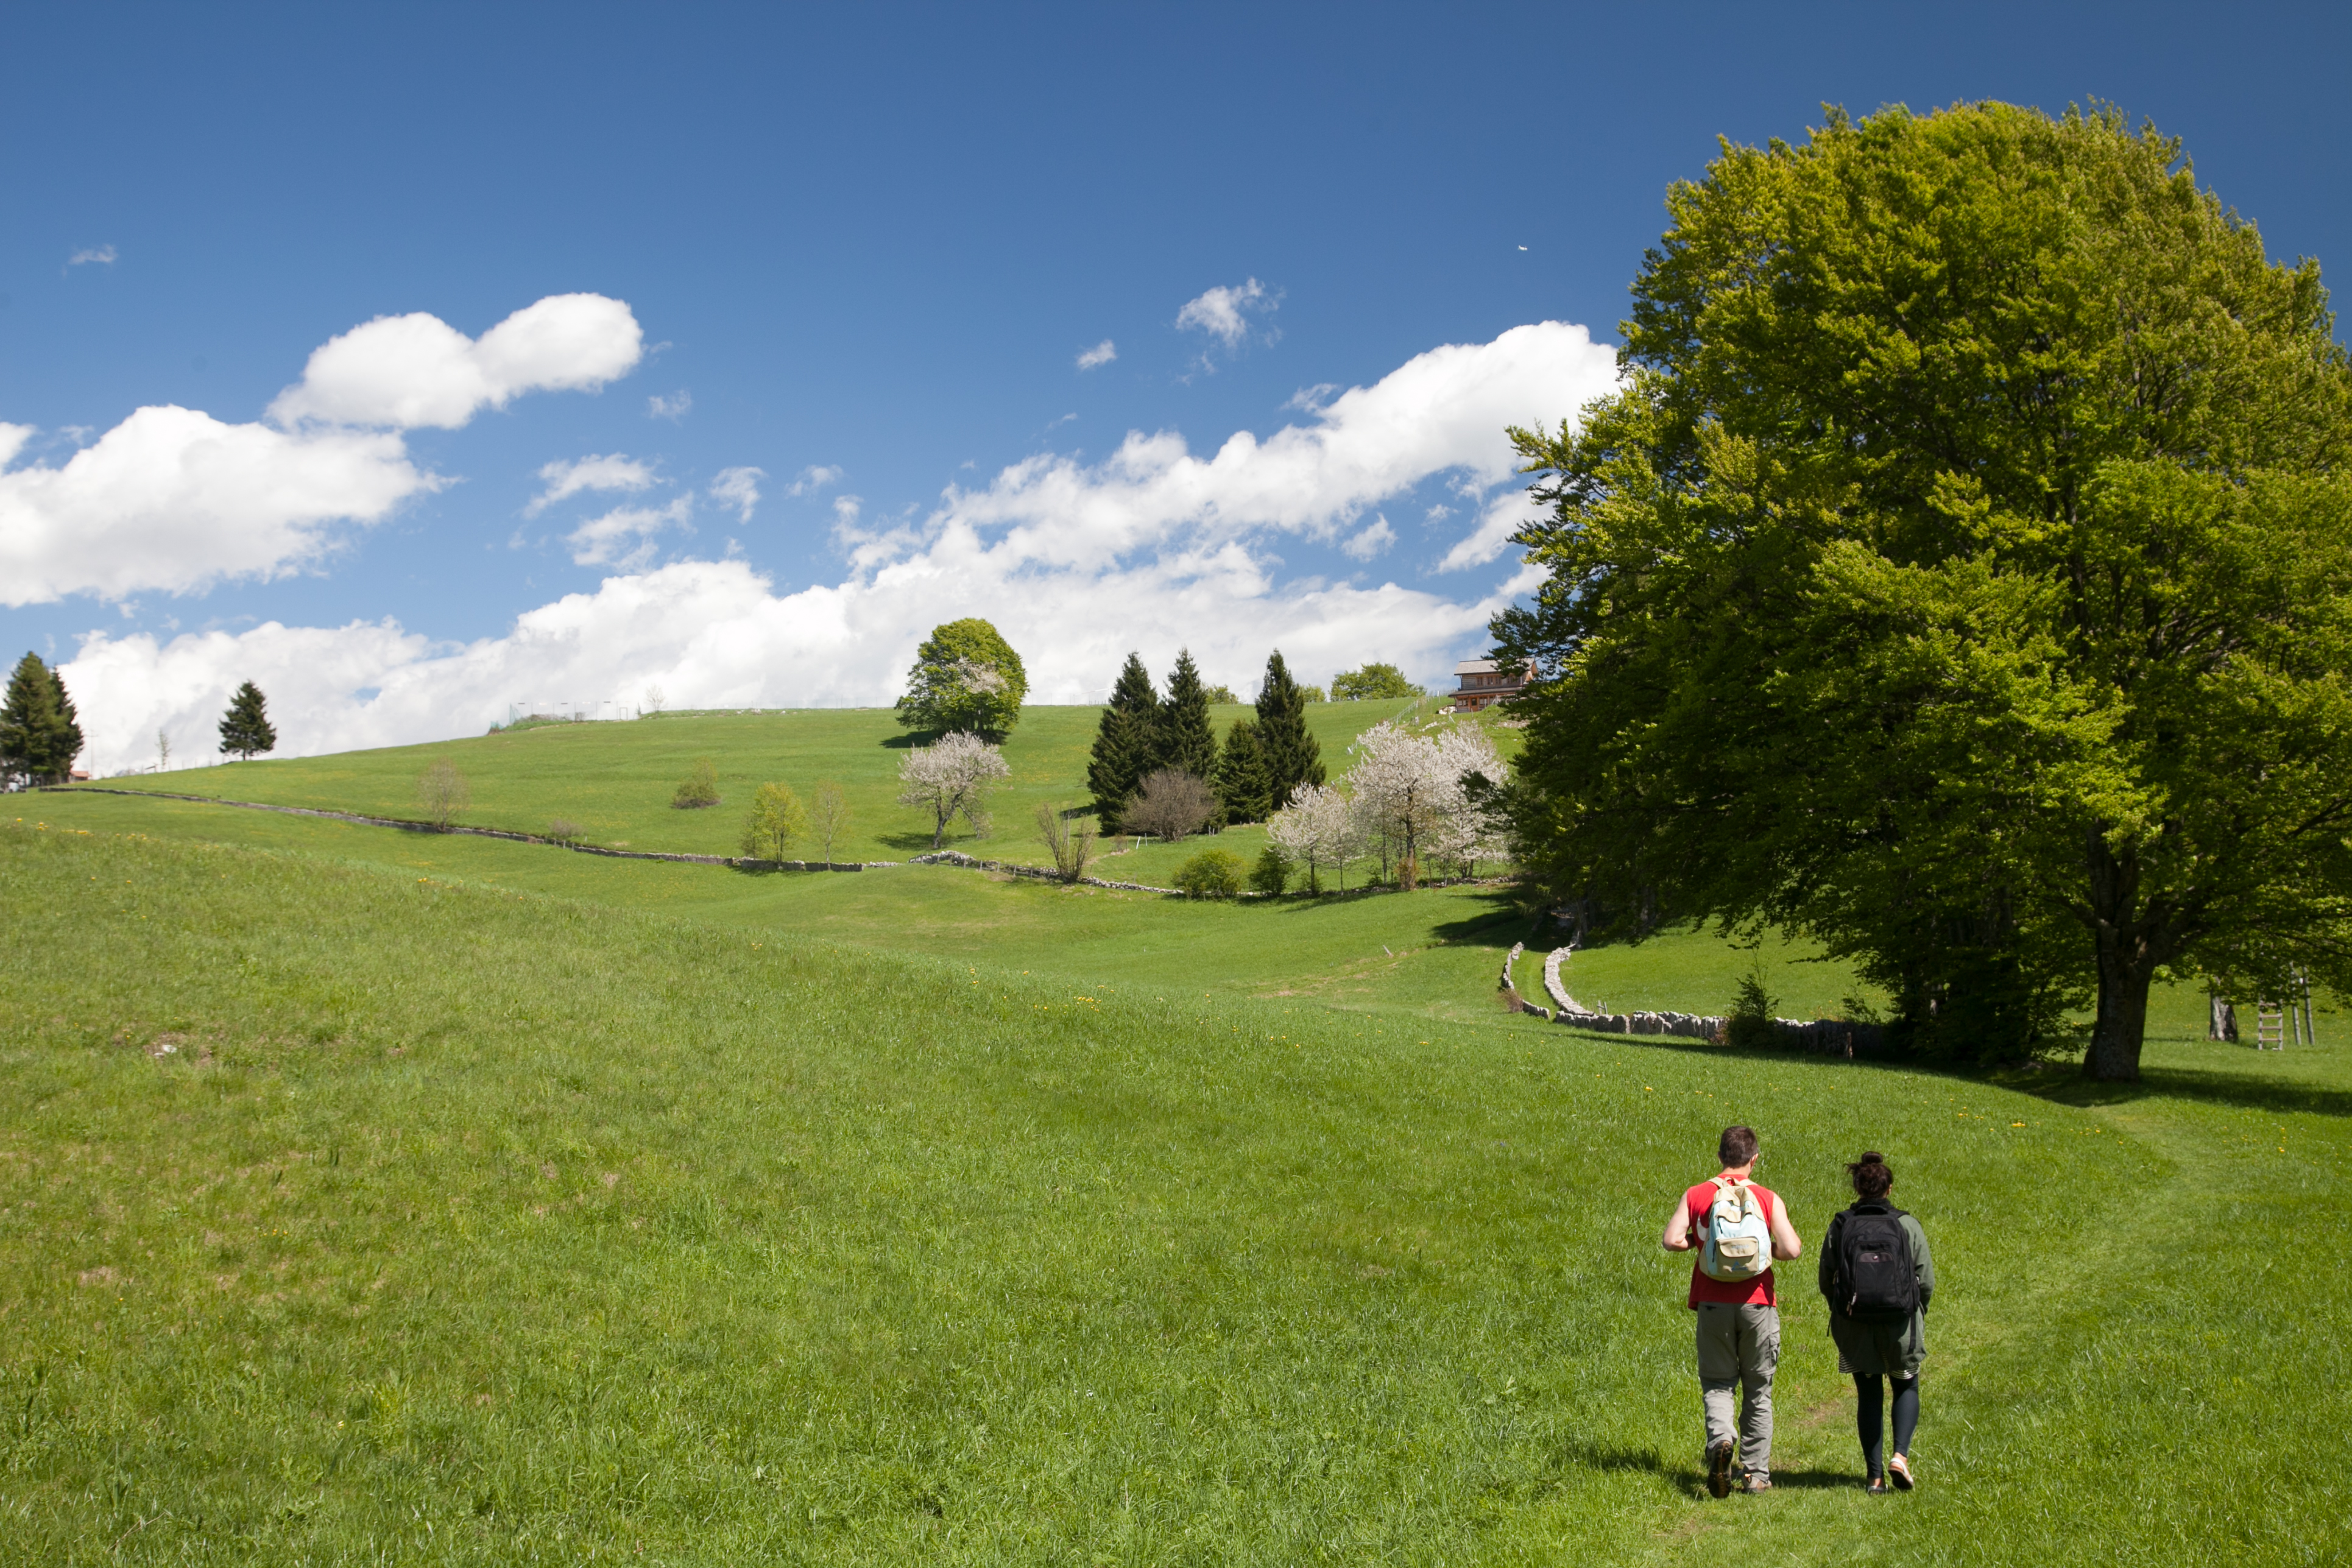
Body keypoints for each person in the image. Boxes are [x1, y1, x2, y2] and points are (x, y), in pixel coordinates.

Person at [1661, 1125, 1803, 1496]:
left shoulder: (1697, 1194)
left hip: (1711, 1301)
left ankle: (1722, 1442)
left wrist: (1698, 1239)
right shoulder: (1768, 1197)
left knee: (1718, 1383)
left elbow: (1671, 1240)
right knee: (1759, 1388)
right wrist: (1764, 1246)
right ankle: (1756, 1474)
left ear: (1721, 1156)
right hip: (1758, 1303)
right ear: (1753, 1159)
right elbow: (1792, 1250)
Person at [1818, 1150, 1935, 1494]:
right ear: (1890, 1189)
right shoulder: (1907, 1224)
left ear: (1857, 1187)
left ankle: (1875, 1478)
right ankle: (1900, 1456)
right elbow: (1925, 1280)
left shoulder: (1841, 1224)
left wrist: (1842, 1310)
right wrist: (1915, 1311)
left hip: (1855, 1327)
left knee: (1868, 1393)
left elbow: (1827, 1279)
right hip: (1901, 1325)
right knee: (1905, 1384)